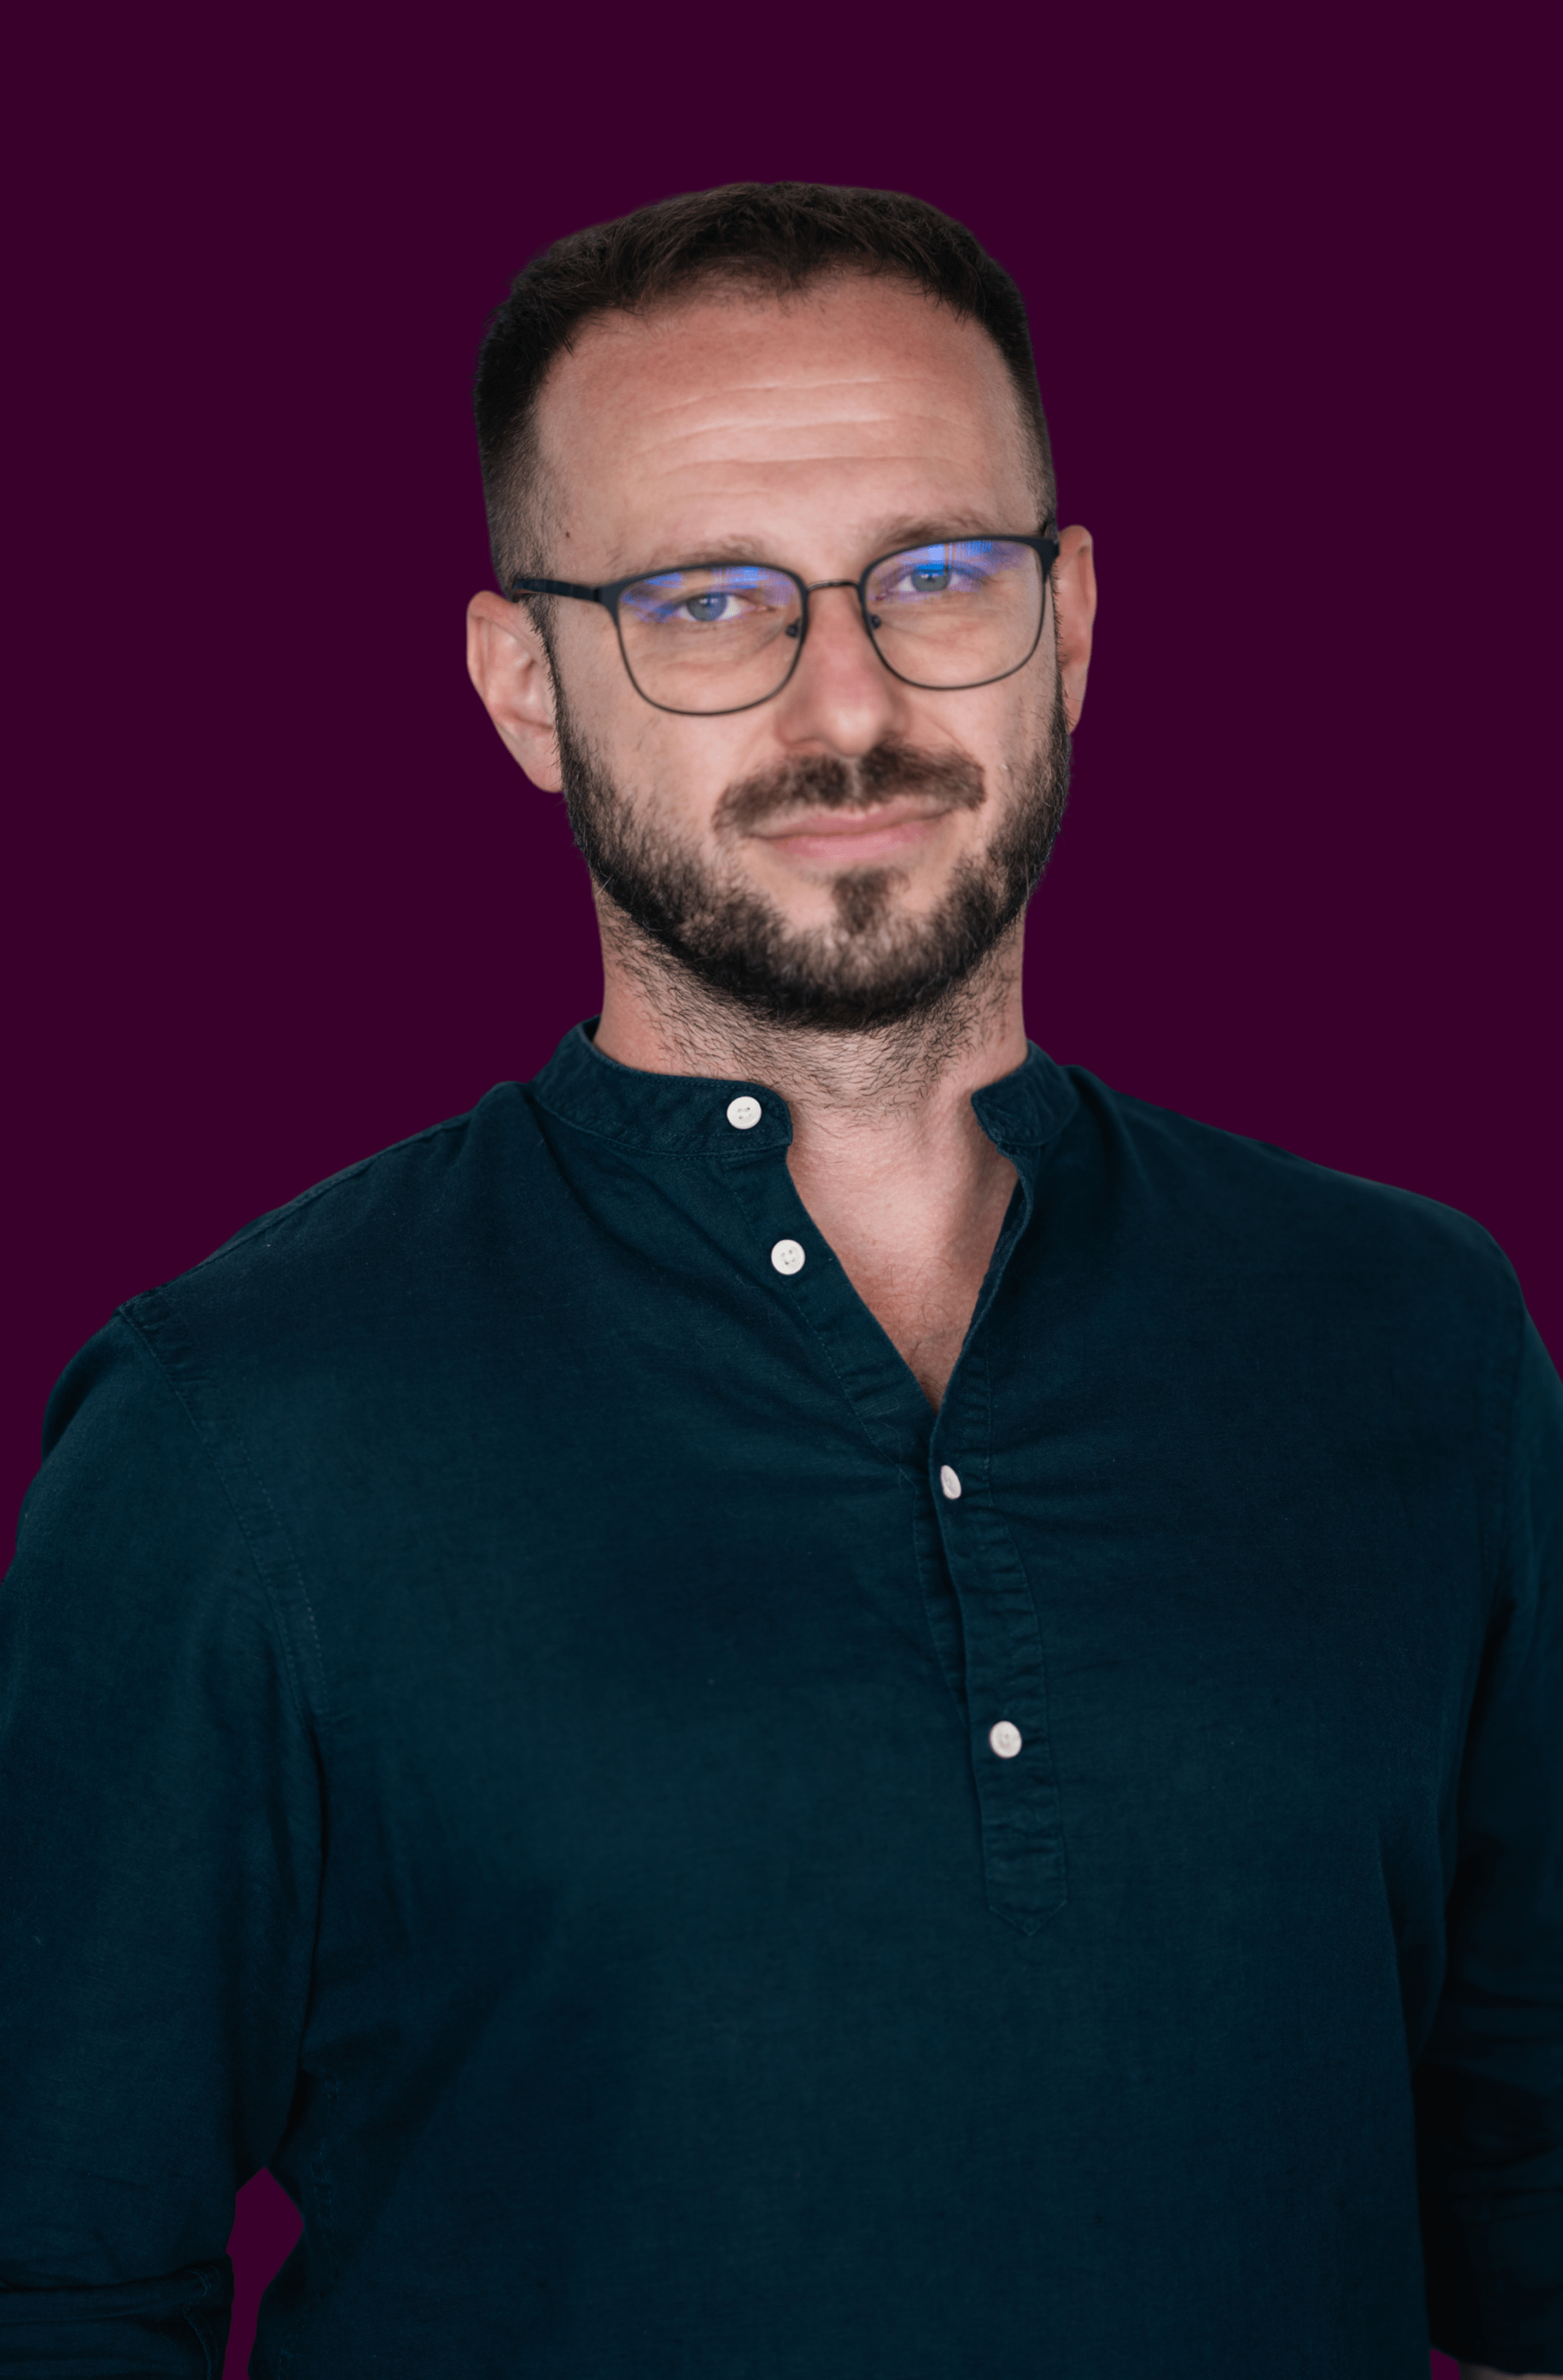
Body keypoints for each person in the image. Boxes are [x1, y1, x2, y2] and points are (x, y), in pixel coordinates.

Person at [0, 183, 1557, 2380]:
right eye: (705, 602)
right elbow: (57, 2284)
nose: (850, 700)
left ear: (1074, 621)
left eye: (937, 575)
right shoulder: (235, 1426)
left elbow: (1535, 2209)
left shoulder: (1415, 1341)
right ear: (526, 686)